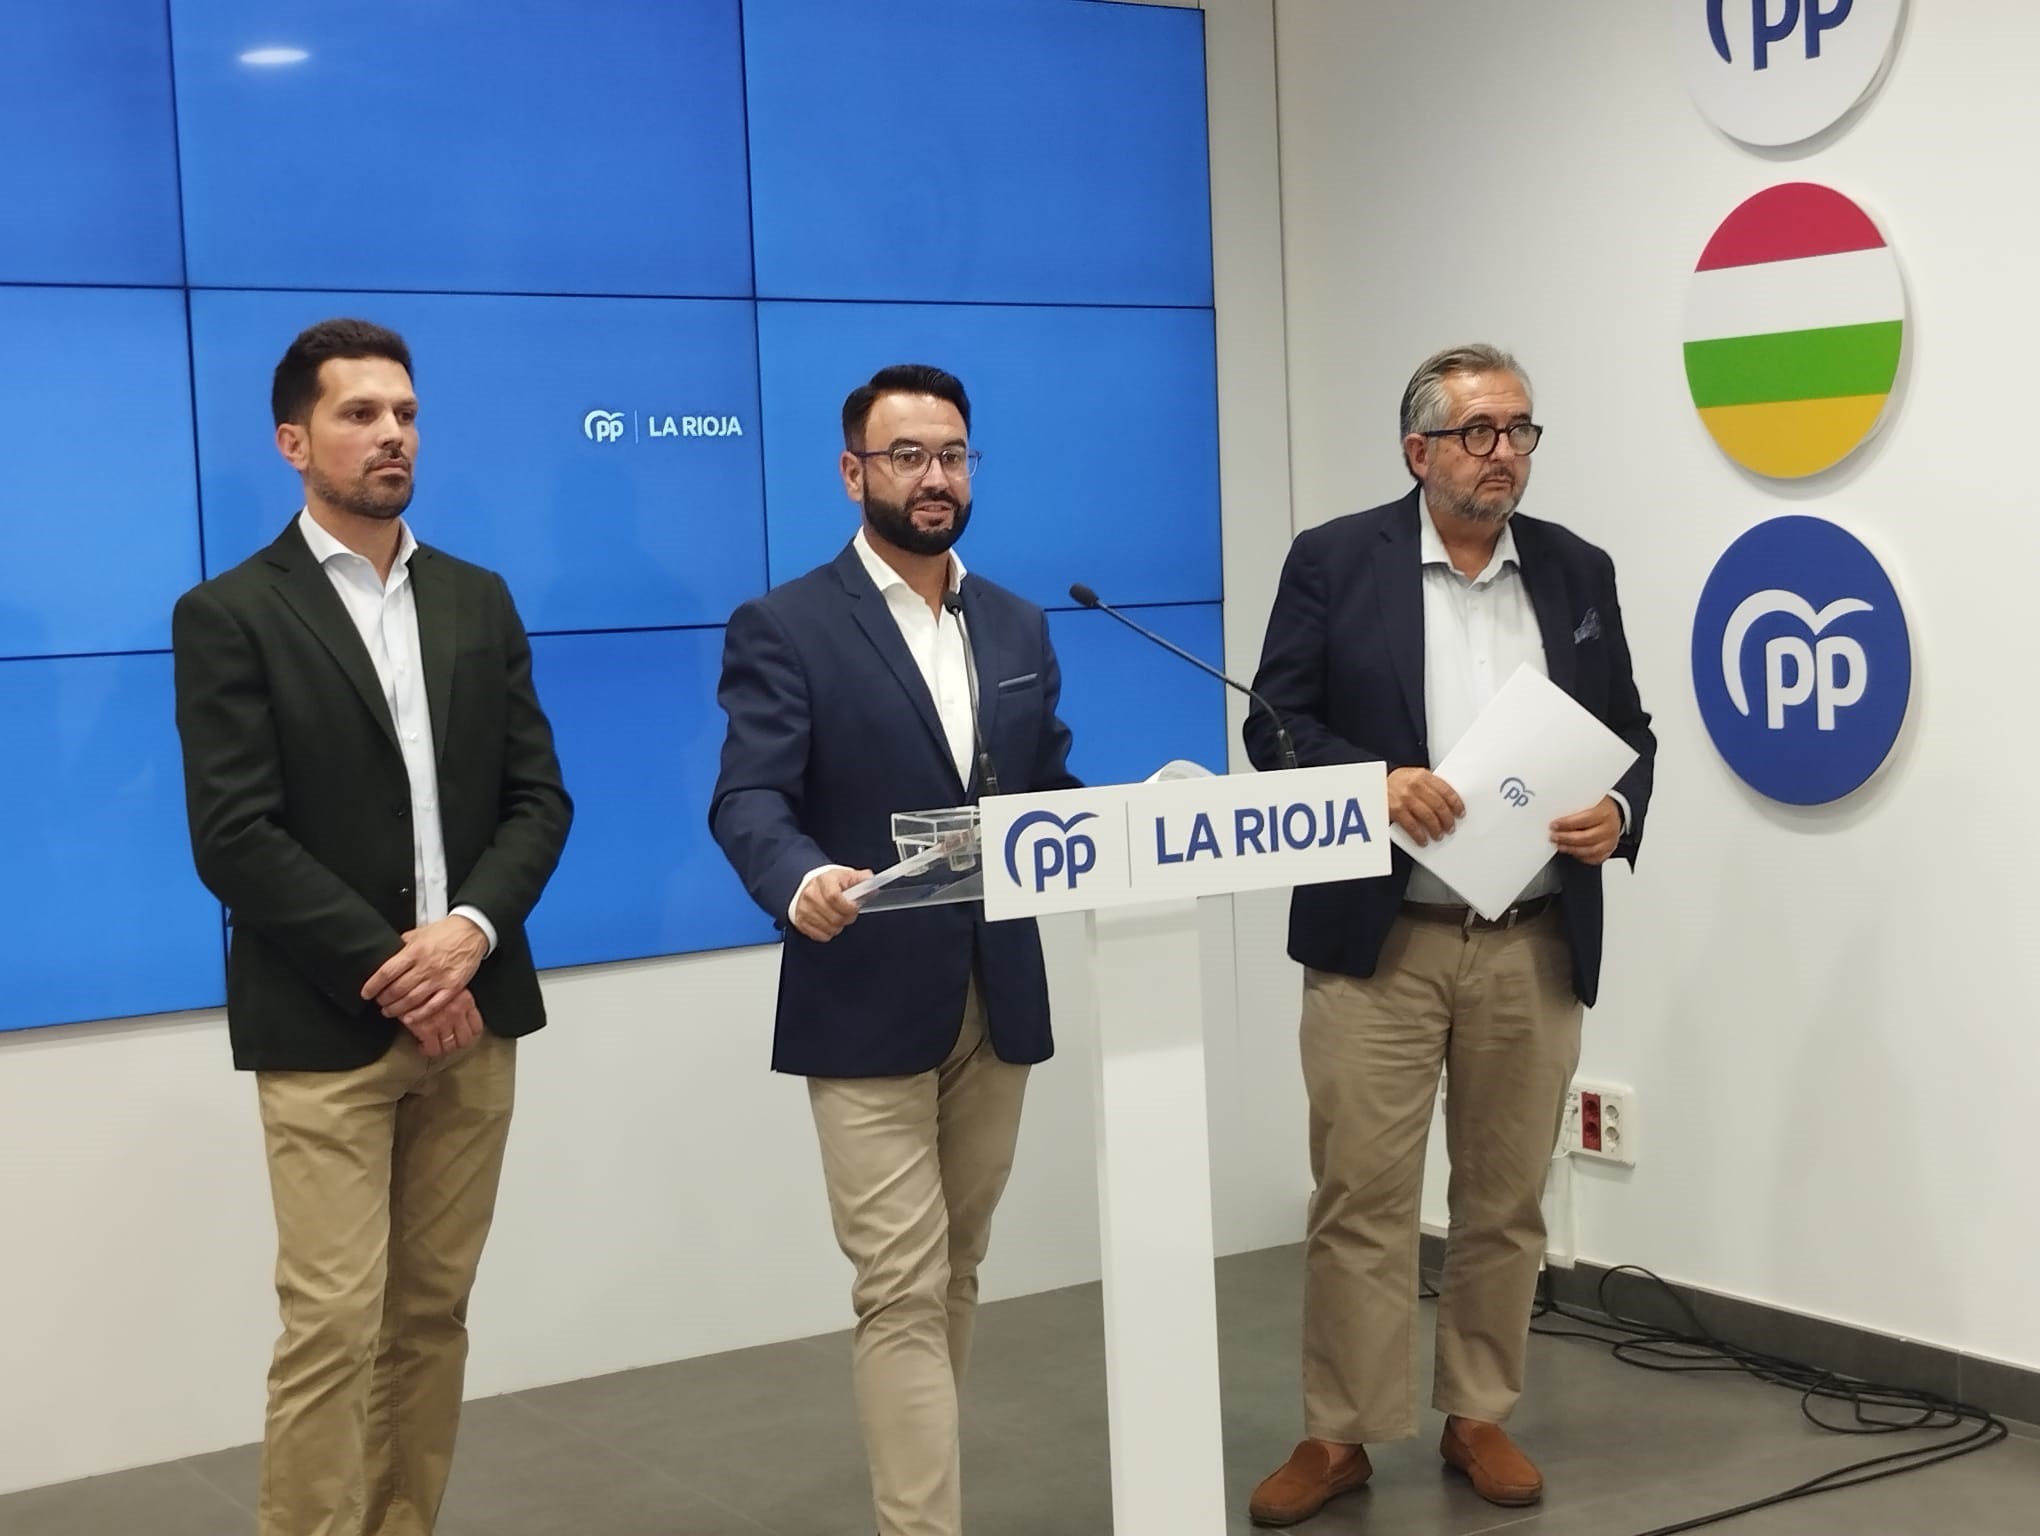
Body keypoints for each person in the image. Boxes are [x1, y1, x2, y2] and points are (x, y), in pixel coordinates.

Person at [1242, 344, 1655, 1526]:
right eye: (1478, 432)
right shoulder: (1334, 560)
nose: (1503, 453)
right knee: (1360, 1199)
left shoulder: (1576, 569)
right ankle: (1341, 1433)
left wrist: (1618, 811)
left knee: (1507, 1196)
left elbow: (1630, 730)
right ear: (1417, 449)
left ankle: (1478, 1411)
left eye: (1520, 430)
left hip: (1534, 934)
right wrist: (1371, 781)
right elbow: (1274, 726)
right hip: (1384, 939)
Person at [172, 318, 572, 1536]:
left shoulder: (475, 598)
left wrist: (470, 935)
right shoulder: (231, 613)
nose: (392, 433)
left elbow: (538, 799)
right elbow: (234, 836)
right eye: (359, 414)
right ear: (293, 442)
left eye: (404, 413)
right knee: (333, 1326)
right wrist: (396, 969)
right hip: (324, 1029)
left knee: (431, 1317)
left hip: (476, 1017)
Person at [709, 363, 1080, 1536]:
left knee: (954, 1269)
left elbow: (1044, 785)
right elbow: (748, 797)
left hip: (997, 994)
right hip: (863, 990)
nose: (935, 477)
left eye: (953, 456)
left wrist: (1138, 822)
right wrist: (797, 878)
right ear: (852, 472)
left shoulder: (1016, 621)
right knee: (901, 1284)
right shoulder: (788, 624)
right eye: (908, 456)